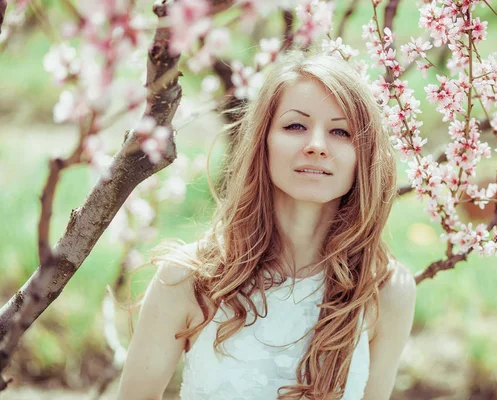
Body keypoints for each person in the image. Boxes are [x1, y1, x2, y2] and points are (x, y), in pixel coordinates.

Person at [116, 51, 416, 400]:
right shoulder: (187, 280)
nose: (317, 146)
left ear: (363, 155)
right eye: (295, 126)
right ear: (264, 142)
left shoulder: (386, 290)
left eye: (340, 131)